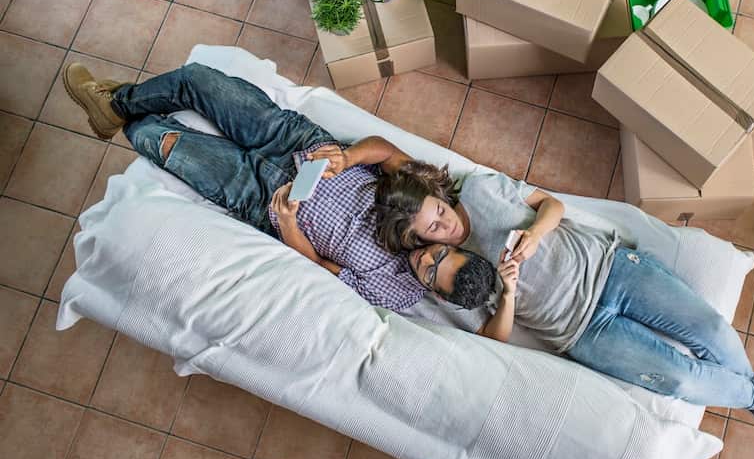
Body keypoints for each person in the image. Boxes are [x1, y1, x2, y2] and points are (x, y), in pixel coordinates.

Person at [375, 168, 754, 441]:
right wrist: (508, 293)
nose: (446, 224)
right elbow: (495, 340)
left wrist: (536, 234)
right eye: (433, 229)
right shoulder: (441, 276)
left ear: (439, 195)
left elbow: (552, 205)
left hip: (612, 268)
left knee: (713, 331)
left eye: (439, 209)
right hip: (582, 332)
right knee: (680, 380)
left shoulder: (480, 190)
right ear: (421, 239)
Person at [61, 61, 494, 311]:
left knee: (154, 140)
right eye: (440, 254)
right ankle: (116, 103)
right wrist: (347, 157)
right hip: (297, 143)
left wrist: (288, 224)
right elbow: (386, 151)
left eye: (432, 273)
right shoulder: (436, 207)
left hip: (264, 198)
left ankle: (120, 111)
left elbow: (322, 271)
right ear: (455, 247)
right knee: (197, 80)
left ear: (435, 293)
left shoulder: (395, 290)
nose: (427, 259)